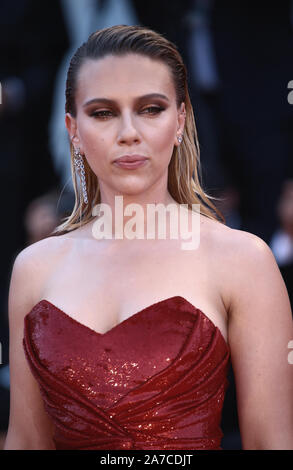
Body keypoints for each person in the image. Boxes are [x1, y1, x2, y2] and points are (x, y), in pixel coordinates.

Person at [4, 25, 293, 450]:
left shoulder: (242, 260)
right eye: (103, 112)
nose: (128, 132)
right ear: (74, 130)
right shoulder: (33, 268)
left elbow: (271, 442)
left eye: (150, 109)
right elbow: (25, 441)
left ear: (180, 120)